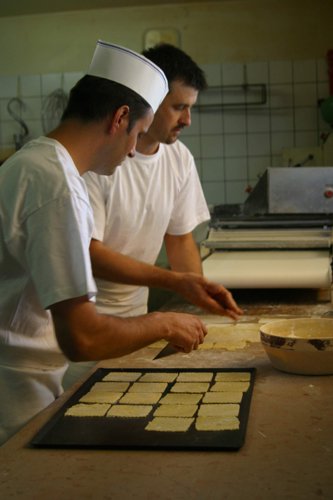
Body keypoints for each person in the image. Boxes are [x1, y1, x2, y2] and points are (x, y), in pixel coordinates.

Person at [0, 40, 216, 445]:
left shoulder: (34, 163)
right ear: (120, 118)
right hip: (15, 392)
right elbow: (82, 338)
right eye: (136, 132)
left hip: (29, 379)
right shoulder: (57, 186)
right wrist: (164, 321)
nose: (134, 150)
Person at [83, 44, 241, 319]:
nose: (188, 120)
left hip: (135, 313)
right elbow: (90, 253)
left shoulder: (179, 158)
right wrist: (173, 281)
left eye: (190, 108)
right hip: (84, 316)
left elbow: (179, 240)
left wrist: (201, 298)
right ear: (150, 101)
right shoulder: (99, 161)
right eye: (179, 107)